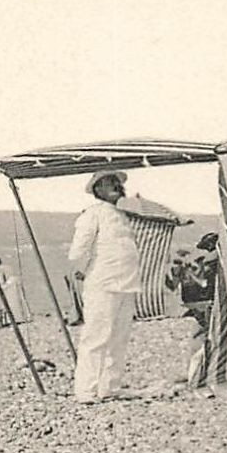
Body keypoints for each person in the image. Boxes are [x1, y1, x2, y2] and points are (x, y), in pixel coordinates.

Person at [69, 168, 142, 404]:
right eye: (109, 183)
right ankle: (85, 391)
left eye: (116, 182)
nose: (115, 186)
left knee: (119, 338)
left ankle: (109, 387)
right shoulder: (93, 214)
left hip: (127, 283)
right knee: (96, 337)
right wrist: (81, 270)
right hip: (103, 283)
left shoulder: (122, 214)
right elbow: (79, 249)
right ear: (97, 189)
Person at [0, 256, 29, 326]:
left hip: (9, 286)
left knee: (11, 303)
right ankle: (24, 316)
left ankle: (14, 319)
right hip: (16, 283)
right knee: (20, 301)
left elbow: (1, 281)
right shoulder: (6, 267)